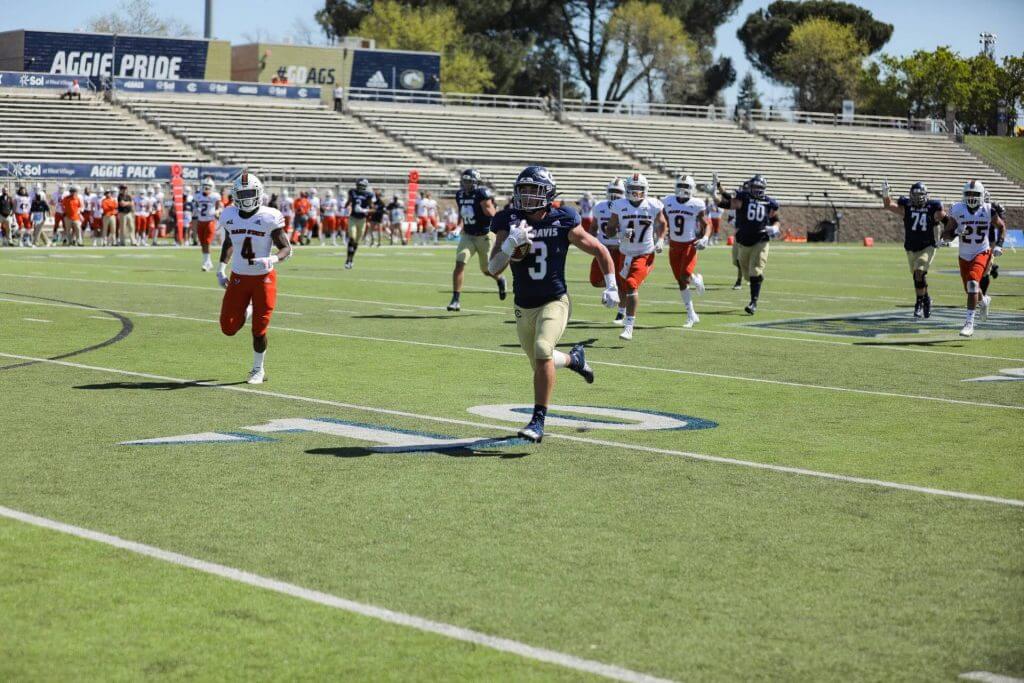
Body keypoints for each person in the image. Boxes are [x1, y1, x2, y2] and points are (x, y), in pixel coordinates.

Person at [486, 165, 619, 443]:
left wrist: (611, 286)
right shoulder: (508, 220)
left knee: (543, 349)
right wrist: (510, 244)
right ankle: (574, 360)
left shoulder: (563, 218)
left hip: (554, 300)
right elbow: (493, 268)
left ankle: (538, 422)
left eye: (533, 190)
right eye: (522, 190)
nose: (526, 196)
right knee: (540, 363)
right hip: (523, 306)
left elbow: (599, 249)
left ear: (547, 192)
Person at [215, 171, 292, 384]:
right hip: (239, 276)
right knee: (228, 328)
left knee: (259, 329)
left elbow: (286, 248)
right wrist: (221, 268)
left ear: (259, 193)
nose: (247, 197)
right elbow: (229, 242)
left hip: (264, 278)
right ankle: (247, 310)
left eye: (250, 192)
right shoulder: (229, 215)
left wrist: (273, 260)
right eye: (243, 193)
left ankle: (258, 369)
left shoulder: (269, 216)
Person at [605, 172, 667, 341]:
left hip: (644, 253)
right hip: (625, 253)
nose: (635, 192)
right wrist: (620, 233)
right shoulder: (618, 205)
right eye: (632, 188)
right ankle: (620, 308)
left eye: (639, 189)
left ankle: (629, 326)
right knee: (623, 286)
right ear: (626, 189)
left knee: (632, 285)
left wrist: (661, 239)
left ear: (645, 189)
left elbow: (662, 223)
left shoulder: (653, 204)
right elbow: (608, 230)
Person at [942, 180, 1004, 337]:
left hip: (981, 251)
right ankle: (983, 301)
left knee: (972, 284)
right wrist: (956, 232)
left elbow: (1001, 226)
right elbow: (946, 235)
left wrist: (999, 245)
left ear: (982, 195)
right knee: (971, 289)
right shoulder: (957, 209)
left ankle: (969, 323)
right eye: (968, 194)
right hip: (964, 255)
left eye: (975, 194)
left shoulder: (988, 209)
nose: (971, 198)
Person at [882, 180, 944, 318]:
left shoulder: (933, 207)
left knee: (919, 273)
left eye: (920, 194)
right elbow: (888, 205)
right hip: (911, 247)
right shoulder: (907, 207)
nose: (918, 197)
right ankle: (926, 299)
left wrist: (942, 238)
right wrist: (886, 194)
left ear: (926, 195)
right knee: (917, 277)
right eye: (915, 195)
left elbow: (945, 220)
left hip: (927, 246)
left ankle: (919, 304)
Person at [719, 175, 780, 315]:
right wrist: (717, 193)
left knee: (755, 271)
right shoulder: (744, 198)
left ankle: (753, 303)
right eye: (754, 187)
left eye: (759, 187)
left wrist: (775, 227)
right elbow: (727, 203)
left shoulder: (768, 202)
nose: (756, 190)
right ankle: (757, 280)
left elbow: (776, 219)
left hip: (761, 239)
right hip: (743, 241)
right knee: (747, 275)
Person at [447, 168, 506, 311]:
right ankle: (455, 300)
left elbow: (492, 213)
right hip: (468, 235)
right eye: (464, 180)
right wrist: (458, 228)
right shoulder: (459, 194)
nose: (466, 184)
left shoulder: (481, 194)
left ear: (475, 182)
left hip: (484, 236)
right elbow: (464, 214)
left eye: (469, 181)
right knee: (460, 263)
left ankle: (500, 279)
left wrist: (501, 228)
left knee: (487, 270)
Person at [662, 175, 709, 328]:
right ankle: (691, 314)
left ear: (691, 189)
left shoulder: (696, 204)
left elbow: (706, 224)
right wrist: (659, 238)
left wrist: (705, 237)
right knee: (681, 282)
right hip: (674, 245)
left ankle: (695, 279)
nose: (682, 189)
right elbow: (662, 222)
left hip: (690, 244)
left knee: (684, 275)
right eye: (680, 186)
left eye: (686, 187)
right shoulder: (667, 201)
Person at [588, 178, 627, 324]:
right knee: (595, 280)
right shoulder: (599, 206)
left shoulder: (626, 206)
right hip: (603, 249)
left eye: (618, 191)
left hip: (620, 249)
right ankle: (613, 288)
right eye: (612, 191)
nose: (614, 194)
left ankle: (621, 313)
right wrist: (591, 243)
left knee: (623, 284)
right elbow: (593, 227)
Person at [344, 178, 374, 269]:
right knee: (352, 238)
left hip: (362, 220)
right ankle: (348, 259)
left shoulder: (368, 195)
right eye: (359, 185)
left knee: (357, 242)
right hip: (352, 218)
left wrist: (365, 210)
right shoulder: (352, 192)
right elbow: (348, 202)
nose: (360, 187)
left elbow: (373, 208)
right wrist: (346, 207)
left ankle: (351, 259)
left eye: (362, 185)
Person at [194, 178, 222, 270]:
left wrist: (218, 211)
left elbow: (219, 206)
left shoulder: (215, 196)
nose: (206, 187)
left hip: (210, 221)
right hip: (200, 221)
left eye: (208, 186)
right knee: (202, 243)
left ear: (212, 187)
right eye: (205, 186)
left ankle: (206, 263)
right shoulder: (198, 196)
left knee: (207, 242)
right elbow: (196, 206)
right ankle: (208, 262)